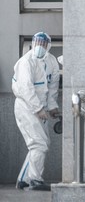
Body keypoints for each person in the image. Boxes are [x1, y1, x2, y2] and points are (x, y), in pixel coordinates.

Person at [12, 32, 60, 191]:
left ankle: (23, 180)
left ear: (49, 45)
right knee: (39, 144)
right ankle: (34, 179)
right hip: (26, 107)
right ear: (33, 43)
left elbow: (52, 88)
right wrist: (38, 108)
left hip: (41, 108)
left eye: (44, 43)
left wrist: (52, 107)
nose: (40, 46)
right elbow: (26, 89)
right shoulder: (25, 62)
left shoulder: (52, 62)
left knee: (41, 144)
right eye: (38, 42)